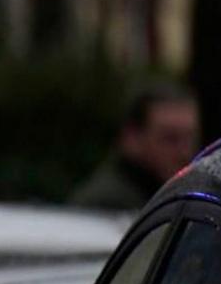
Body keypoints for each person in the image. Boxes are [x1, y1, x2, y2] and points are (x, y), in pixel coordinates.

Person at [67, 81, 199, 212]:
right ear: (132, 138)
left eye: (190, 137)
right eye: (170, 138)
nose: (184, 152)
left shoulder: (178, 194)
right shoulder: (104, 205)